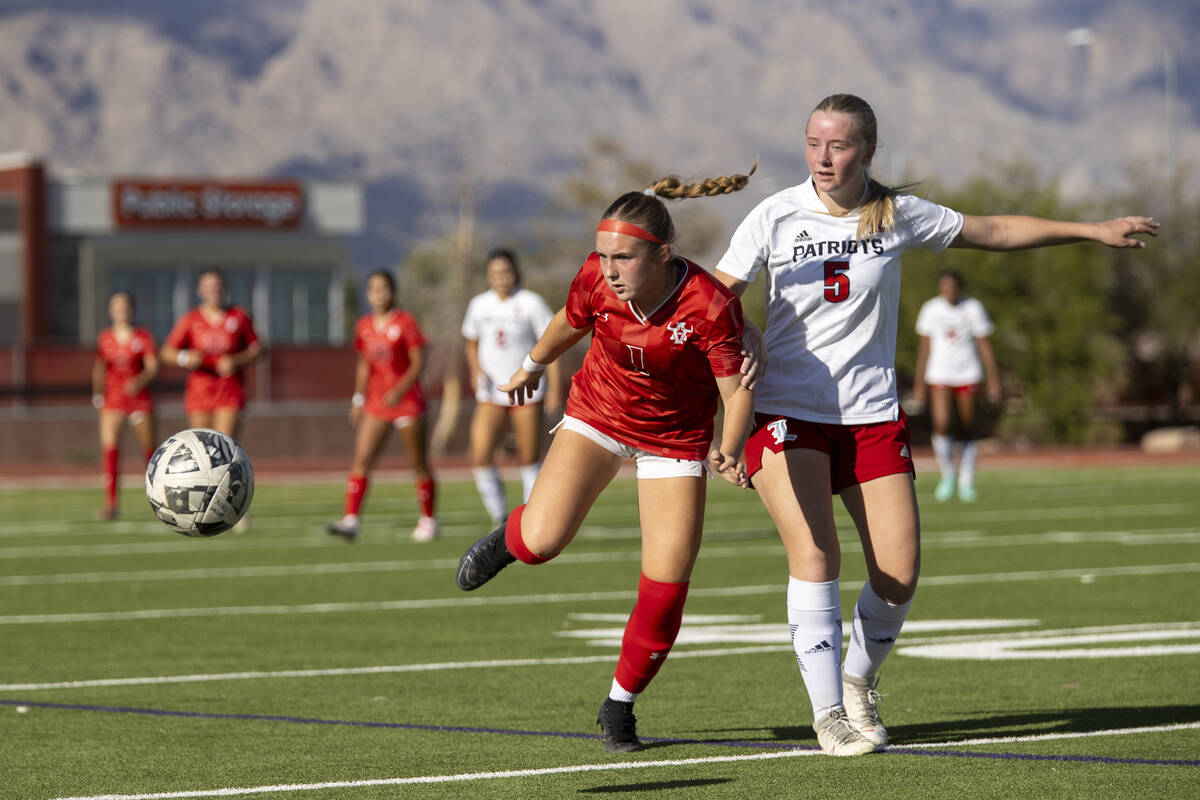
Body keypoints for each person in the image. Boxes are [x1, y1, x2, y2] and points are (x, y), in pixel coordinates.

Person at [713, 93, 1158, 756]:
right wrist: (743, 326)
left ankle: (857, 683)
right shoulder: (774, 215)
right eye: (813, 142)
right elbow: (712, 297)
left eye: (837, 145)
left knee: (898, 575)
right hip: (787, 411)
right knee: (816, 555)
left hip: (870, 416)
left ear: (867, 150)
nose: (822, 157)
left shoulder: (897, 214)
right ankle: (828, 712)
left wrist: (1091, 230)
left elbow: (997, 232)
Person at [455, 168, 757, 754]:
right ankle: (511, 537)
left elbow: (735, 390)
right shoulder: (596, 279)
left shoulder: (708, 304)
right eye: (602, 256)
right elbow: (570, 322)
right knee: (542, 542)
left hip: (673, 439)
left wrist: (730, 446)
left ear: (663, 254)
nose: (609, 270)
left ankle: (619, 706)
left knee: (667, 585)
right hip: (599, 414)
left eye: (623, 258)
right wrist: (532, 365)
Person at [327, 270, 438, 542]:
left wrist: (400, 391)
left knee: (417, 463)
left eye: (384, 288)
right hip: (377, 403)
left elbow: (418, 362)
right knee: (362, 460)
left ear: (393, 291)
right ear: (367, 294)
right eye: (373, 289)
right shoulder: (364, 325)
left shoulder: (406, 322)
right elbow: (365, 364)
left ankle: (428, 521)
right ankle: (351, 520)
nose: (379, 294)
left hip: (408, 402)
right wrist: (358, 398)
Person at [462, 249, 562, 525]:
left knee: (528, 456)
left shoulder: (531, 303)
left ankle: (530, 516)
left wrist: (554, 389)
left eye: (506, 272)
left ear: (515, 272)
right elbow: (470, 341)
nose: (501, 278)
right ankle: (499, 514)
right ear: (488, 275)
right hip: (491, 392)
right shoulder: (479, 305)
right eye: (495, 273)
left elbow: (551, 345)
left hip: (528, 390)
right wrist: (475, 369)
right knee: (481, 453)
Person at [912, 270, 1000, 502]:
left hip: (968, 373)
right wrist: (918, 383)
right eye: (945, 287)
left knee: (968, 426)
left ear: (959, 287)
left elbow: (984, 346)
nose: (949, 291)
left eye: (952, 286)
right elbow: (924, 348)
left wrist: (993, 380)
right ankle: (948, 474)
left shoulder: (973, 308)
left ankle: (966, 480)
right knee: (941, 424)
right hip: (939, 373)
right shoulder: (930, 309)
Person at [161, 269, 262, 440]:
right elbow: (166, 352)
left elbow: (257, 349)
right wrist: (185, 357)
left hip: (229, 389)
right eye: (208, 286)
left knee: (223, 443)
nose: (213, 290)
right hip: (199, 391)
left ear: (225, 288)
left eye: (217, 285)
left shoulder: (238, 316)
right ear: (199, 290)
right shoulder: (191, 319)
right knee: (202, 444)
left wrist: (235, 360)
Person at [92, 292, 159, 520]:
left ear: (132, 310)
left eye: (125, 306)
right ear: (111, 311)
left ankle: (158, 501)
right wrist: (98, 394)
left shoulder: (143, 336)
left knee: (150, 452)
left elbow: (152, 367)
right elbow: (100, 368)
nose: (121, 311)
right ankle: (111, 504)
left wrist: (138, 381)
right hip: (113, 400)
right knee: (110, 450)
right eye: (117, 307)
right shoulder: (105, 338)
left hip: (139, 400)